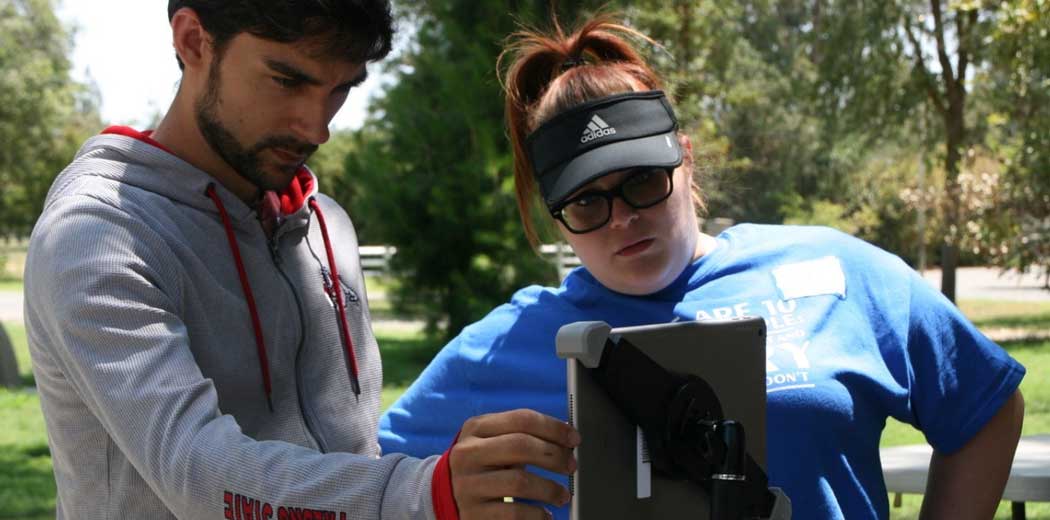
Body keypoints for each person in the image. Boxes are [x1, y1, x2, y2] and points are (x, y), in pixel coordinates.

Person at [379, 15, 1027, 520]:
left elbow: (985, 406)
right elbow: (367, 482)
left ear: (685, 158)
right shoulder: (498, 349)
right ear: (556, 217)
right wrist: (445, 489)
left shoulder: (837, 270)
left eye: (642, 183)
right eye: (587, 202)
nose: (622, 219)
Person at [24, 2, 578, 519]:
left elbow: (351, 449)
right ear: (194, 41)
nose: (318, 127)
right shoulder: (97, 234)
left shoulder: (325, 225)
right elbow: (194, 470)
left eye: (341, 88)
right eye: (288, 80)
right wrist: (419, 496)